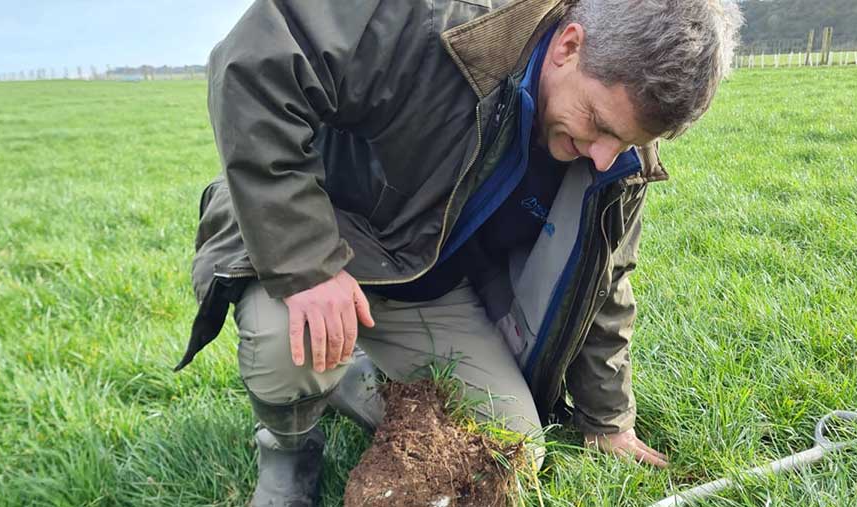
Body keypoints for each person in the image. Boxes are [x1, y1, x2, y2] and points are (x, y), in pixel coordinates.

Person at [177, 0, 742, 504]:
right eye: (597, 123)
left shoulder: (614, 163)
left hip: (434, 290)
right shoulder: (429, 20)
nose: (601, 157)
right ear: (569, 45)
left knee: (513, 450)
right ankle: (289, 450)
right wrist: (305, 264)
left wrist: (607, 421)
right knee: (285, 343)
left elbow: (605, 279)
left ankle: (349, 381)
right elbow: (252, 68)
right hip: (329, 243)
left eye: (625, 142)